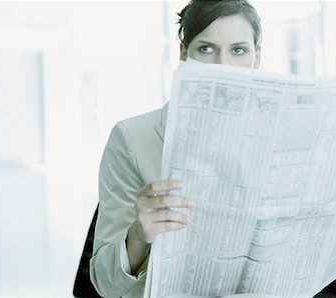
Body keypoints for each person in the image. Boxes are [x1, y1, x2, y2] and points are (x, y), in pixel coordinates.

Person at [90, 1, 262, 297]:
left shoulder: (275, 137)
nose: (223, 66)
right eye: (206, 49)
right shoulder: (132, 138)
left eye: (238, 50)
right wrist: (139, 235)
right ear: (184, 55)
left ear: (256, 59)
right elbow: (104, 284)